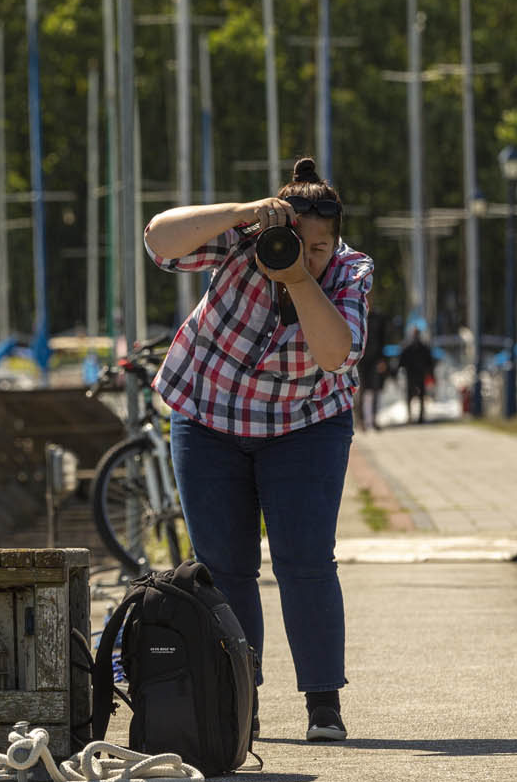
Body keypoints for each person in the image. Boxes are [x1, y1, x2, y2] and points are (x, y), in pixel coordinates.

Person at [143, 156, 373, 743]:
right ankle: (238, 700)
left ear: (337, 243)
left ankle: (324, 704)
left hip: (307, 424)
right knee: (224, 569)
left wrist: (297, 278)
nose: (307, 255)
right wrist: (248, 214)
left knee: (306, 562)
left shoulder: (350, 273)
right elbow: (159, 241)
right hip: (208, 414)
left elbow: (334, 354)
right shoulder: (244, 242)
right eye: (295, 242)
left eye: (319, 247)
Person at [356, 306, 390, 431]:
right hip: (361, 359)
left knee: (376, 389)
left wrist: (383, 359)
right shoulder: (358, 312)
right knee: (362, 390)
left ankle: (374, 419)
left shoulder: (378, 318)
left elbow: (383, 339)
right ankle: (361, 420)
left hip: (376, 359)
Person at [398, 328, 434, 424]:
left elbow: (429, 362)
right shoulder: (407, 347)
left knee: (421, 396)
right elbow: (402, 361)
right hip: (411, 374)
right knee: (410, 396)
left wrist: (430, 373)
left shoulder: (423, 347)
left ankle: (421, 417)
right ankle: (410, 416)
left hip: (420, 374)